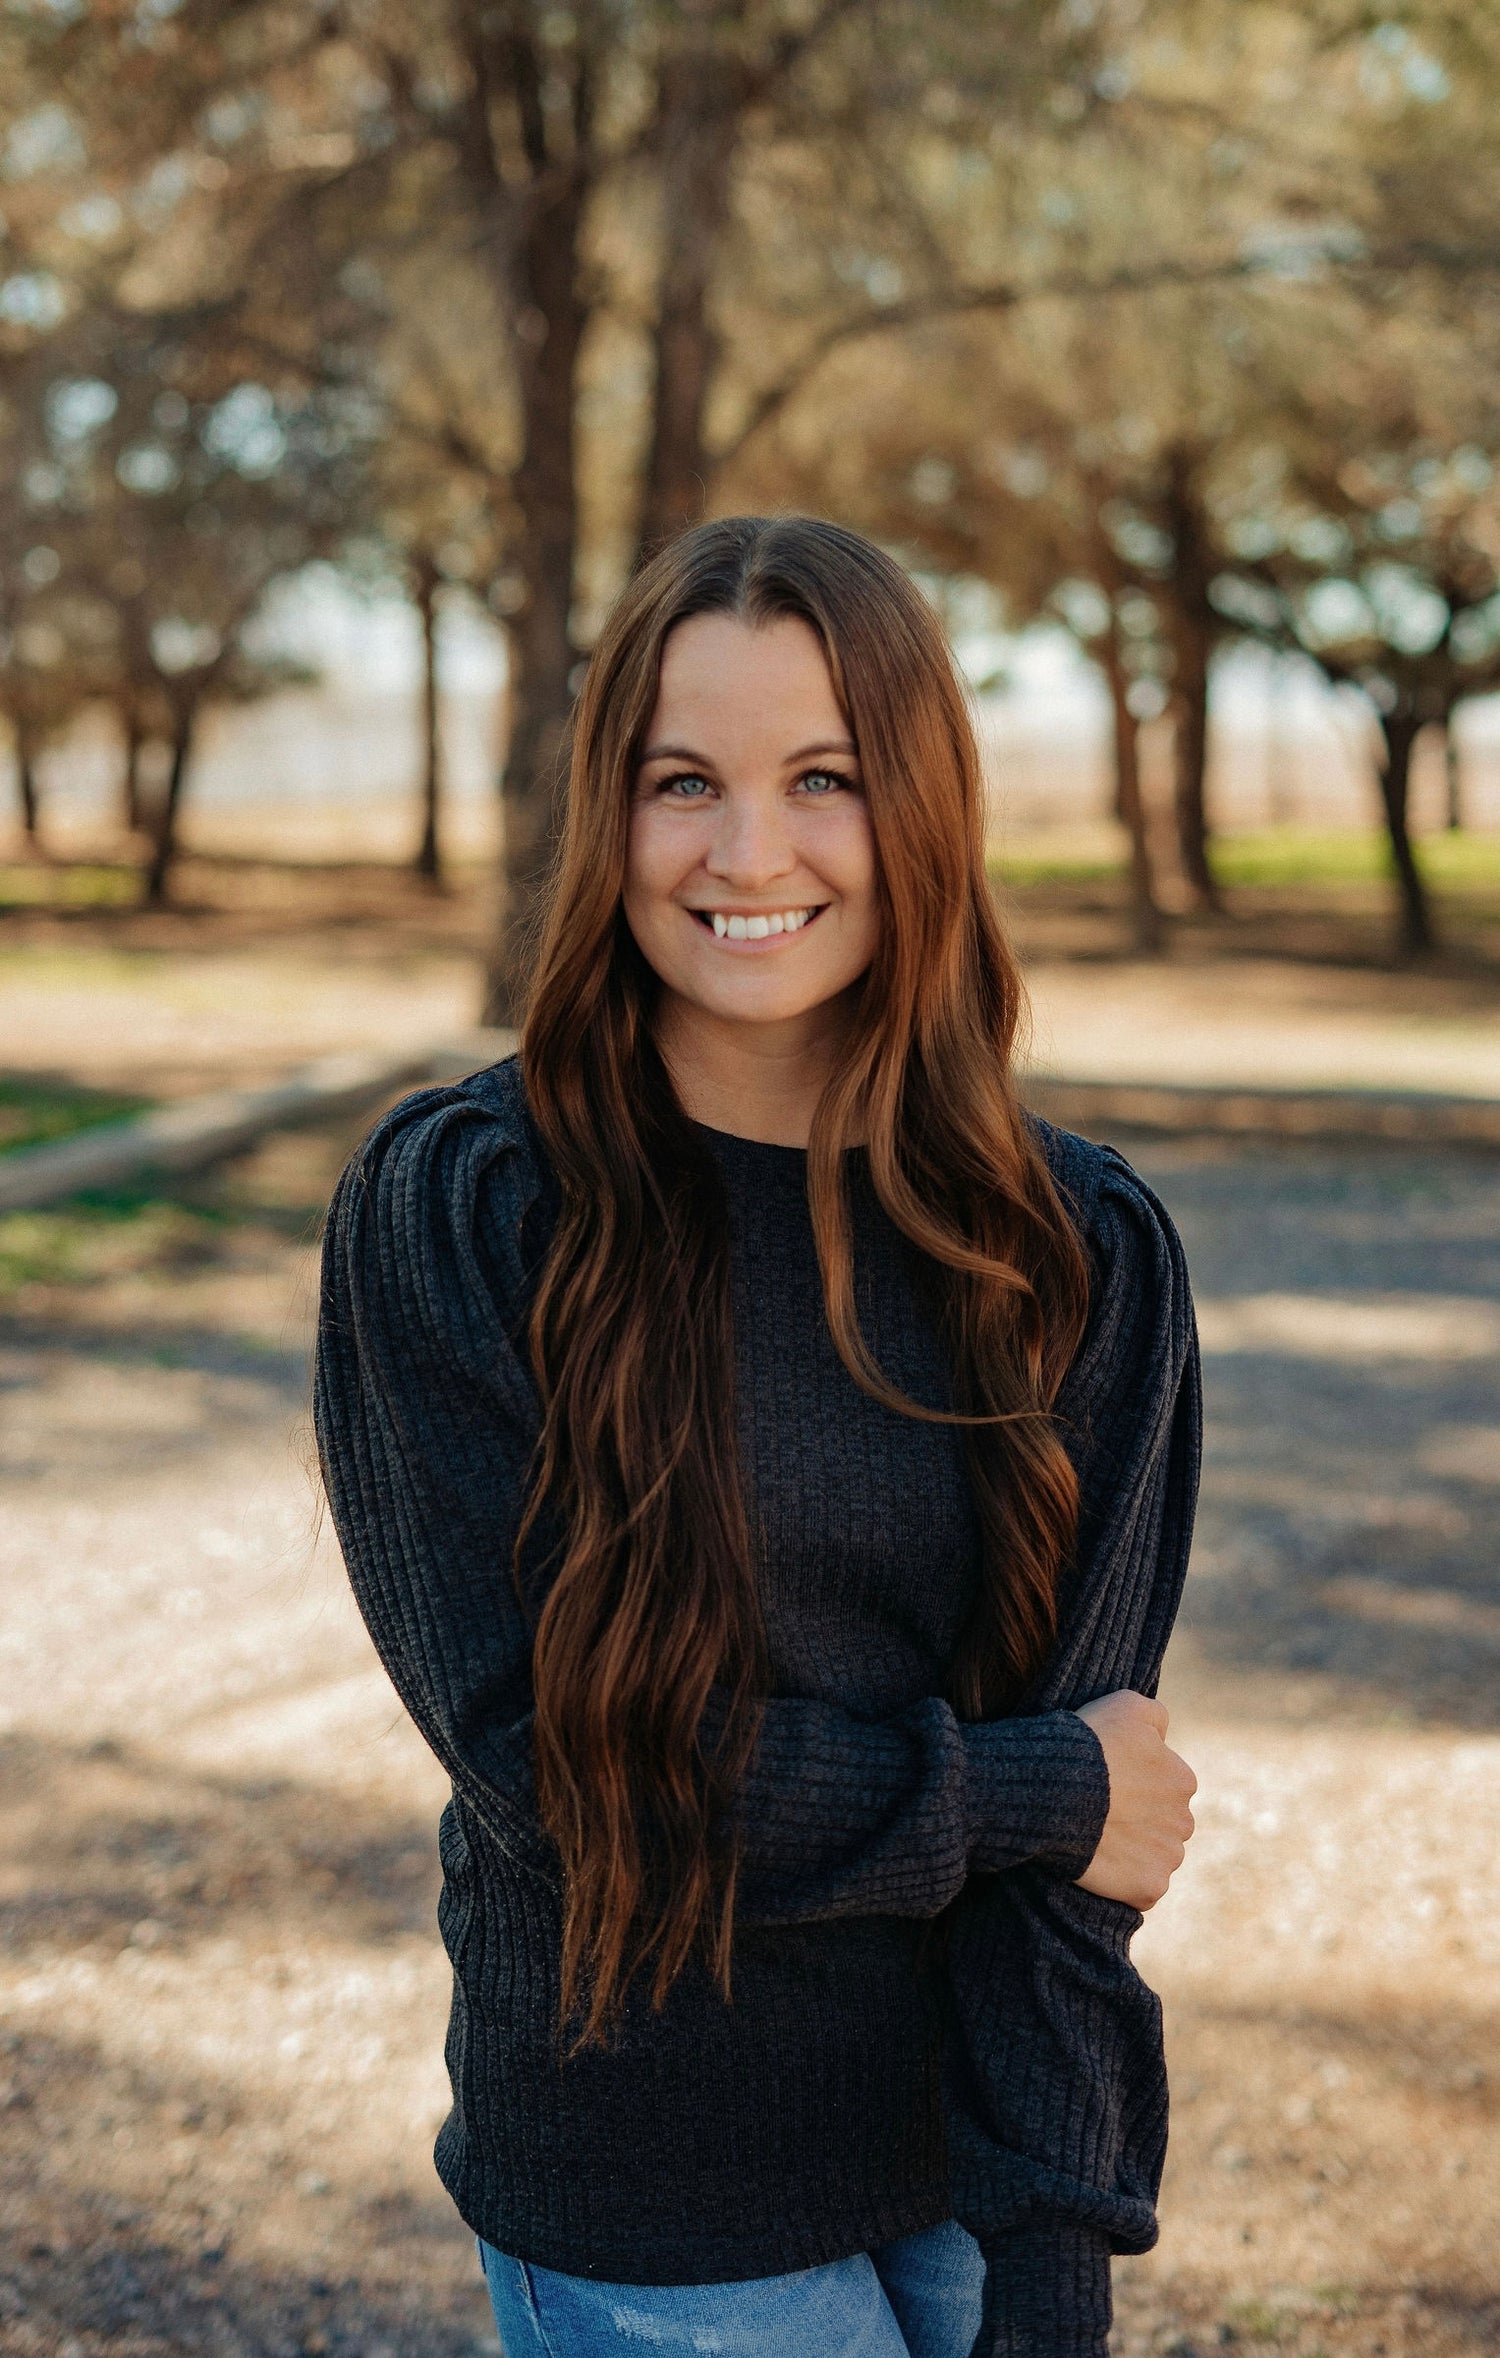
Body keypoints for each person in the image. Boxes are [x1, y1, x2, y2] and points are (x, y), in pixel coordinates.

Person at [314, 516, 1201, 2358]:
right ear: (606, 815)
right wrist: (1030, 1787)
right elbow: (577, 1780)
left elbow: (1080, 1873)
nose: (748, 852)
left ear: (924, 809)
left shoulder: (1075, 1246)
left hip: (972, 2166)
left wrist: (1054, 2264)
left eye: (825, 777)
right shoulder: (467, 1209)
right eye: (680, 782)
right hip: (652, 2186)